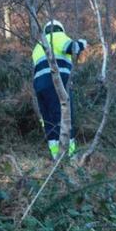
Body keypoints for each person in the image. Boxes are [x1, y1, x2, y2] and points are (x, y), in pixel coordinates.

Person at [31, 21, 87, 160]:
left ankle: (56, 155)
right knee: (65, 116)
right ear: (59, 29)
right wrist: (83, 43)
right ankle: (70, 155)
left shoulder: (37, 47)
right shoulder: (57, 36)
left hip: (40, 87)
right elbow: (72, 47)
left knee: (48, 119)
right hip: (56, 84)